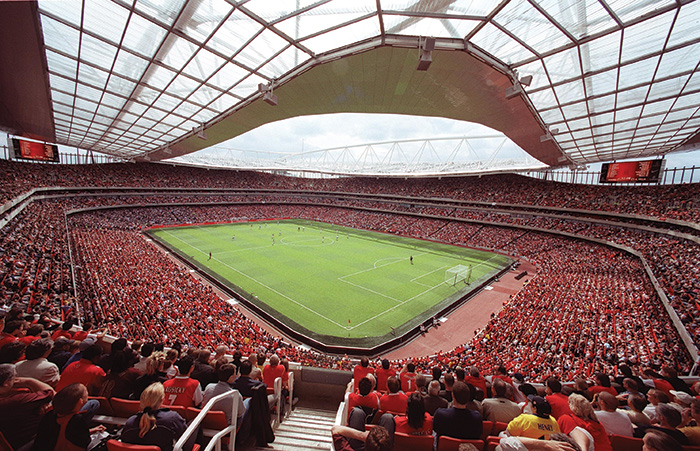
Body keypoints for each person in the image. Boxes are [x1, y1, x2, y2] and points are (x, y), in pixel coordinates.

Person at [31, 382, 106, 450]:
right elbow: (82, 442)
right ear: (80, 401)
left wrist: (92, 430)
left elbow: (66, 435)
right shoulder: (76, 421)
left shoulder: (50, 415)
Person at [121, 382, 193, 451]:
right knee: (195, 424)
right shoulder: (172, 418)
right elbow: (186, 439)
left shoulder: (130, 423)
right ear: (162, 400)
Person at [0, 363, 54, 450]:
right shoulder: (16, 401)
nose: (16, 380)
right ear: (6, 383)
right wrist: (27, 381)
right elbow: (49, 393)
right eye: (15, 377)